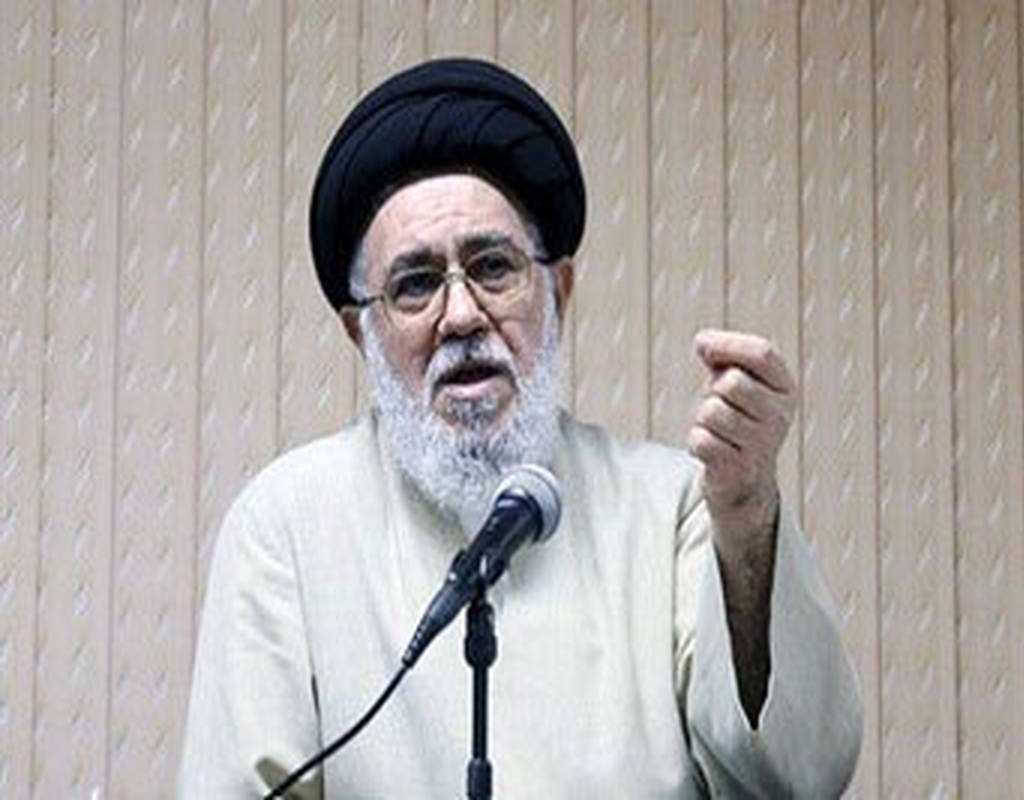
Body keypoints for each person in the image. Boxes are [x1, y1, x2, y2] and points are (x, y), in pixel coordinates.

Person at [179, 57, 861, 798]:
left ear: (557, 292)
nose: (461, 316)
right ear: (361, 332)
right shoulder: (285, 526)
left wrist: (748, 515)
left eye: (493, 268)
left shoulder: (672, 507)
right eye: (415, 286)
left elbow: (795, 777)